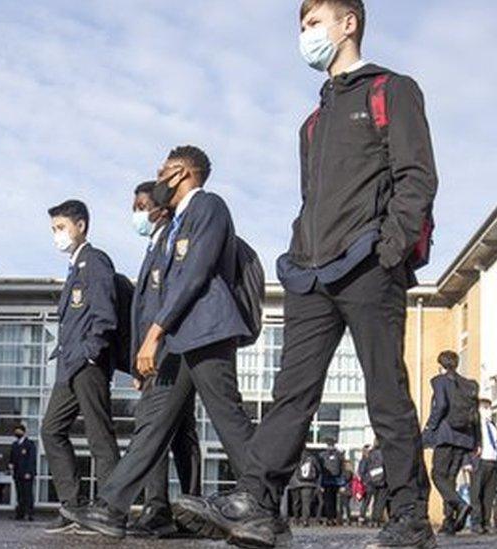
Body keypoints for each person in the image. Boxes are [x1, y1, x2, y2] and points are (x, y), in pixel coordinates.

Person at [174, 1, 439, 547]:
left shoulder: (391, 90)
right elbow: (310, 200)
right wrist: (297, 255)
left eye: (314, 23)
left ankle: (410, 517)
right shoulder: (313, 122)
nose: (305, 35)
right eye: (301, 26)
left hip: (369, 264)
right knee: (291, 392)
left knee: (384, 391)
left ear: (349, 24)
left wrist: (388, 250)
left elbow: (416, 177)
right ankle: (260, 506)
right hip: (311, 275)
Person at [68, 146, 256, 539]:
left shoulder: (208, 206)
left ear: (182, 173)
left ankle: (263, 504)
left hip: (206, 331)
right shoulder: (174, 225)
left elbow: (195, 274)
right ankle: (112, 508)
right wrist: (150, 344)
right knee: (151, 424)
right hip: (177, 340)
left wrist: (153, 333)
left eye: (163, 170)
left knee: (229, 419)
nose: (157, 176)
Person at [126, 181, 203, 538]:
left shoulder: (171, 244)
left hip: (171, 349)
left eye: (141, 205)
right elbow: (142, 313)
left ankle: (179, 509)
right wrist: (137, 364)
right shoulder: (153, 246)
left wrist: (155, 346)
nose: (137, 213)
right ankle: (168, 509)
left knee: (167, 430)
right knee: (168, 430)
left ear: (161, 208)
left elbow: (167, 304)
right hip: (154, 357)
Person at [40, 198, 123, 534]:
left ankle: (110, 510)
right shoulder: (74, 268)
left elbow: (106, 315)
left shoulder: (95, 261)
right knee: (51, 429)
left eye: (60, 228)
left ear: (81, 226)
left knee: (99, 436)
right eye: (53, 230)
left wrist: (91, 352)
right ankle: (73, 507)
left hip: (87, 364)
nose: (56, 235)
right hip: (69, 366)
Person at [422, 350, 478, 535]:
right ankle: (449, 521)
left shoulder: (439, 381)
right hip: (464, 437)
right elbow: (475, 414)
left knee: (437, 475)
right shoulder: (469, 384)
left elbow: (442, 405)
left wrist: (430, 427)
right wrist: (477, 441)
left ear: (441, 365)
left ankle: (460, 505)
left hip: (446, 435)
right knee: (450, 479)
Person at [468, 398, 497, 535]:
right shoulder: (474, 425)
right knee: (476, 495)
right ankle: (476, 523)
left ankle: (486, 523)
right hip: (479, 462)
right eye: (485, 408)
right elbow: (468, 443)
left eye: (489, 408)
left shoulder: (492, 425)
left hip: (492, 462)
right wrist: (467, 461)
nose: (489, 411)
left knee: (489, 495)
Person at [9, 424, 36, 521]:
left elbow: (31, 460)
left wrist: (29, 472)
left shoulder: (29, 444)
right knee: (19, 494)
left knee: (28, 494)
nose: (17, 433)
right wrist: (11, 466)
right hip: (17, 474)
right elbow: (12, 459)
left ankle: (30, 514)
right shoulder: (15, 445)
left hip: (27, 474)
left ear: (24, 432)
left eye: (19, 431)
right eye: (16, 431)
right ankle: (20, 514)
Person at [319, 438, 345, 525]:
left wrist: (320, 484)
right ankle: (334, 518)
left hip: (326, 481)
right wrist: (342, 483)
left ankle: (329, 518)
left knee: (327, 501)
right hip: (337, 481)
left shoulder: (322, 455)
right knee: (335, 501)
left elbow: (321, 470)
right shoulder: (339, 455)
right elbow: (342, 469)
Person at [296, 450, 322, 527]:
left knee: (298, 502)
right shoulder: (312, 459)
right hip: (310, 484)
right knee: (306, 503)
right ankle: (305, 520)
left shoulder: (298, 458)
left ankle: (297, 518)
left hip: (299, 483)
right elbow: (318, 471)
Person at [338, 460, 355, 525]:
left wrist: (341, 486)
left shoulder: (347, 472)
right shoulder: (350, 472)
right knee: (345, 505)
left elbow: (345, 480)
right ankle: (346, 518)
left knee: (343, 505)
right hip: (347, 490)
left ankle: (343, 518)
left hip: (345, 490)